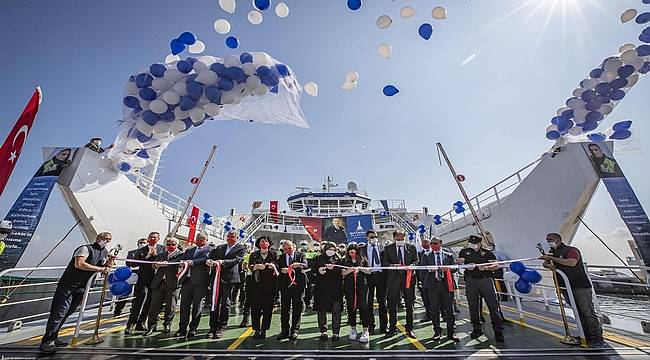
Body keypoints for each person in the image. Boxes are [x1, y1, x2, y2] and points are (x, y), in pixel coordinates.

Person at [39, 232, 114, 354]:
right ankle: (46, 342)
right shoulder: (85, 248)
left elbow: (105, 266)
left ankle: (54, 337)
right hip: (68, 286)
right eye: (105, 238)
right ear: (98, 238)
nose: (107, 241)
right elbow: (79, 264)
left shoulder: (104, 252)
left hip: (82, 288)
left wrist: (109, 262)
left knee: (68, 312)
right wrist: (100, 269)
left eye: (109, 239)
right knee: (59, 313)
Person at [541, 233, 605, 347]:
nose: (548, 241)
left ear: (558, 240)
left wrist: (550, 258)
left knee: (588, 312)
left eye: (550, 239)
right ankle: (584, 335)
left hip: (580, 286)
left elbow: (572, 262)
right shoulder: (553, 253)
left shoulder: (571, 250)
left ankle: (597, 338)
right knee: (577, 311)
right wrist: (548, 264)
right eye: (547, 240)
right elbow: (546, 263)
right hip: (566, 287)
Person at [458, 235, 503, 342]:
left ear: (479, 244)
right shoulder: (464, 251)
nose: (471, 244)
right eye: (470, 242)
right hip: (470, 280)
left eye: (473, 243)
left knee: (492, 305)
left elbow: (496, 265)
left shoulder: (487, 253)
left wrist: (486, 267)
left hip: (485, 280)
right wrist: (465, 265)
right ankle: (476, 328)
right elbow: (459, 261)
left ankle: (497, 330)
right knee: (473, 305)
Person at [206, 230, 245, 339]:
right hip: (217, 278)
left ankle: (222, 327)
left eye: (232, 236)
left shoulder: (241, 248)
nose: (230, 238)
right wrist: (209, 261)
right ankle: (212, 327)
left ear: (237, 238)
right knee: (214, 303)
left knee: (225, 304)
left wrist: (222, 262)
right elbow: (211, 256)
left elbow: (236, 260)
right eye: (228, 236)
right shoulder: (219, 247)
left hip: (230, 279)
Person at [421, 237, 459, 342]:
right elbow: (422, 268)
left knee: (449, 309)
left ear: (441, 243)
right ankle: (437, 332)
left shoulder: (449, 255)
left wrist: (447, 268)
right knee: (434, 309)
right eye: (432, 244)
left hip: (446, 285)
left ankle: (451, 333)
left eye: (435, 243)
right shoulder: (426, 255)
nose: (433, 245)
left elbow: (455, 267)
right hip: (433, 286)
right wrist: (429, 269)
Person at [144, 236, 184, 335]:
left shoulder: (182, 255)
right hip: (159, 282)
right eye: (168, 244)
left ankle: (167, 324)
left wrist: (168, 263)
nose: (170, 246)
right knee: (154, 306)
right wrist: (156, 264)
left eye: (173, 244)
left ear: (177, 245)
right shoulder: (161, 254)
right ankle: (152, 326)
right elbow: (153, 265)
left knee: (171, 306)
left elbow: (181, 264)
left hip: (173, 283)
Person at [125, 232, 164, 334]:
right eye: (151, 237)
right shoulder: (141, 251)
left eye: (155, 237)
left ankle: (141, 322)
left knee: (150, 303)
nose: (153, 239)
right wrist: (146, 257)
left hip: (156, 280)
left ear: (158, 238)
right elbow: (131, 263)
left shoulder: (162, 249)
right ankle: (130, 324)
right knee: (138, 302)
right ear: (148, 238)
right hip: (143, 280)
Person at [383, 230, 418, 338]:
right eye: (398, 238)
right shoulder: (388, 248)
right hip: (393, 279)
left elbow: (416, 261)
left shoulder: (411, 248)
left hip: (408, 279)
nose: (400, 239)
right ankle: (393, 328)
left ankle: (410, 328)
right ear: (394, 238)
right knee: (392, 304)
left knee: (409, 304)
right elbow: (384, 262)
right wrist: (392, 265)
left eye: (402, 238)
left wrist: (411, 266)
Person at [176, 233, 212, 338]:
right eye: (197, 239)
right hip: (187, 281)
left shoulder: (209, 250)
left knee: (197, 306)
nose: (198, 241)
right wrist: (182, 263)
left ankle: (193, 328)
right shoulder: (189, 250)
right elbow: (183, 259)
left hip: (200, 282)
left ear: (206, 240)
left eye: (201, 239)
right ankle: (182, 329)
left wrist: (192, 262)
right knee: (184, 306)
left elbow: (205, 259)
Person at [276, 240, 308, 340]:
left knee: (297, 308)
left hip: (298, 286)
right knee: (285, 309)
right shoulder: (281, 257)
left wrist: (299, 264)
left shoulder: (301, 255)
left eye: (289, 248)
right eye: (285, 249)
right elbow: (277, 268)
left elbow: (306, 264)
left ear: (293, 247)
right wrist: (282, 270)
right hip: (285, 286)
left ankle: (294, 331)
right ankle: (284, 331)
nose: (288, 251)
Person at [248, 236, 278, 339]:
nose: (264, 243)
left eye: (266, 241)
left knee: (267, 308)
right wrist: (256, 267)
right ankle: (256, 329)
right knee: (255, 307)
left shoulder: (273, 254)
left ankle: (264, 329)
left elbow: (277, 264)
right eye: (262, 241)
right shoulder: (254, 254)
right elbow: (250, 265)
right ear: (258, 244)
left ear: (269, 244)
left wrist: (272, 265)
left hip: (270, 285)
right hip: (256, 284)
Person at [313, 242, 343, 341]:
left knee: (336, 310)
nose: (331, 251)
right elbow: (312, 268)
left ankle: (335, 332)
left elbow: (342, 270)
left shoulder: (338, 258)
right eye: (329, 248)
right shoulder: (318, 258)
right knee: (322, 310)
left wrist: (334, 268)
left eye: (333, 249)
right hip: (322, 288)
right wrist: (318, 270)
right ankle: (323, 331)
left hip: (335, 288)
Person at [341, 243, 371, 343]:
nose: (352, 253)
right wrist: (349, 270)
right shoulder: (345, 261)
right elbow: (342, 273)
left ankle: (365, 330)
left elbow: (369, 271)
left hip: (362, 286)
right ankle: (353, 328)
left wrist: (360, 268)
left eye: (354, 251)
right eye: (350, 251)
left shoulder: (363, 259)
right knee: (351, 307)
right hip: (349, 286)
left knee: (363, 306)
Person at [114, 238, 147, 316]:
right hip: (131, 274)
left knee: (139, 293)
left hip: (143, 275)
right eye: (140, 242)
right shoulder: (131, 253)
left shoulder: (148, 252)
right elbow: (128, 263)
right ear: (137, 244)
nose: (142, 244)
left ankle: (134, 308)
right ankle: (118, 309)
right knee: (125, 292)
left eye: (144, 242)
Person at [363, 230, 387, 335]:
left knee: (382, 302)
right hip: (368, 276)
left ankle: (383, 327)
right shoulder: (362, 249)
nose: (374, 238)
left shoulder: (383, 248)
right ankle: (370, 326)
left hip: (381, 276)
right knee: (369, 303)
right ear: (367, 237)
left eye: (375, 236)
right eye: (371, 237)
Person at [417, 238, 433, 323]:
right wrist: (419, 280)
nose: (424, 244)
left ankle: (443, 314)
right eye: (423, 242)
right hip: (424, 280)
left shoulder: (434, 253)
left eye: (426, 242)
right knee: (425, 298)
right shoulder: (419, 254)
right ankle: (428, 314)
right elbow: (418, 268)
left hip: (435, 280)